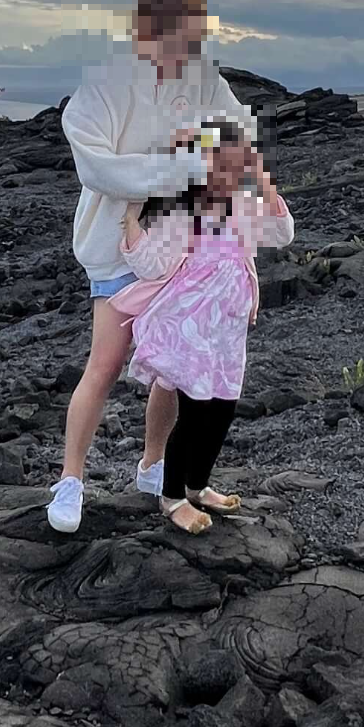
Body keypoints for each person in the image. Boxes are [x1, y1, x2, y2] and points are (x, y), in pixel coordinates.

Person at [46, 0, 251, 533]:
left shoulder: (202, 77)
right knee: (107, 363)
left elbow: (235, 129)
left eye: (190, 36)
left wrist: (205, 155)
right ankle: (71, 480)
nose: (180, 50)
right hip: (117, 252)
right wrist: (184, 165)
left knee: (174, 370)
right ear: (141, 31)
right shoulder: (104, 88)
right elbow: (99, 168)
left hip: (181, 251)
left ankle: (154, 468)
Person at [124, 121, 293, 532]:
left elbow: (283, 233)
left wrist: (263, 181)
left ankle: (197, 485)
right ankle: (172, 496)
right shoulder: (187, 209)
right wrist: (130, 216)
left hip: (229, 330)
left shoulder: (246, 204)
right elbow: (152, 262)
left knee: (222, 408)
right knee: (196, 409)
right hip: (192, 324)